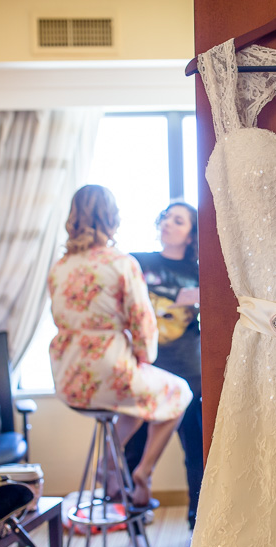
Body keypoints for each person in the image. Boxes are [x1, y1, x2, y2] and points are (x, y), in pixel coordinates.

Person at [48, 185, 192, 508]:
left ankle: (110, 463)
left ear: (74, 218)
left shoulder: (59, 267)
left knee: (136, 398)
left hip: (69, 380)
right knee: (179, 392)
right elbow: (144, 326)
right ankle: (143, 472)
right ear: (111, 218)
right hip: (110, 374)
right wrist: (143, 356)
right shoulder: (121, 263)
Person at [127, 202, 203, 530]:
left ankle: (195, 527)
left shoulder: (203, 270)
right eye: (166, 218)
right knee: (133, 451)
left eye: (179, 220)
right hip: (145, 373)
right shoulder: (137, 263)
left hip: (190, 373)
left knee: (197, 455)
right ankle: (133, 523)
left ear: (191, 233)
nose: (168, 223)